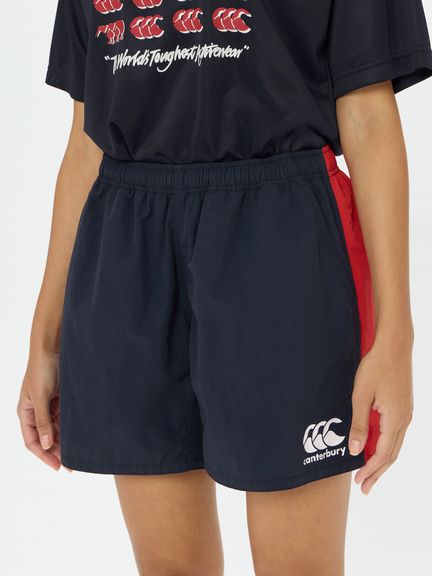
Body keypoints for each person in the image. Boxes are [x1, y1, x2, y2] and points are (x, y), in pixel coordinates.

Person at [18, 1, 432, 574]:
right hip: (128, 238)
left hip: (280, 232)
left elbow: (368, 116)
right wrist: (45, 340)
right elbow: (86, 139)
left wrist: (396, 336)